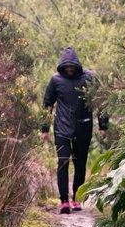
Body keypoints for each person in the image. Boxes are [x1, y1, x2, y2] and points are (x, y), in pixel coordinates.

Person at [41, 46, 107, 214]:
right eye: (67, 67)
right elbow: (47, 105)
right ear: (63, 67)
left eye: (72, 67)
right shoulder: (55, 80)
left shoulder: (89, 78)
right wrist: (45, 129)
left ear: (76, 66)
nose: (69, 69)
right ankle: (64, 201)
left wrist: (103, 125)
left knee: (80, 164)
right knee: (62, 162)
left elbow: (101, 102)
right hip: (62, 128)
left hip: (83, 127)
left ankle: (76, 198)